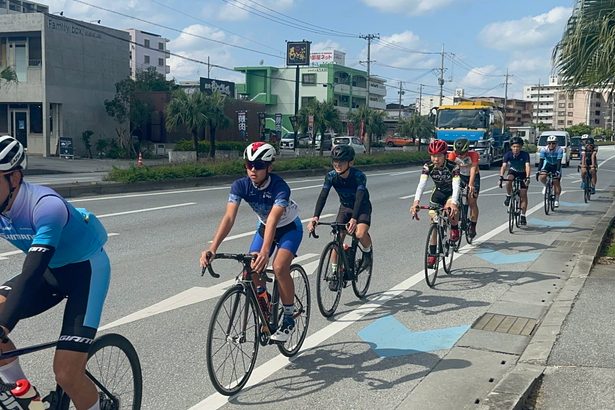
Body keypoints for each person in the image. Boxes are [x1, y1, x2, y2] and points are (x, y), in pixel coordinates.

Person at [0, 136, 110, 410]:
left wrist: (3, 326)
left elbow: (32, 272)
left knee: (66, 373)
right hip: (52, 273)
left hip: (86, 272)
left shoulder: (46, 206)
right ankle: (31, 402)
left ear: (14, 178)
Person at [200, 142, 302, 342]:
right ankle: (267, 304)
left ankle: (289, 317)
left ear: (269, 167)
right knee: (251, 269)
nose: (253, 170)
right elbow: (229, 217)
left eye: (259, 165)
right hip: (265, 228)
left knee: (280, 267)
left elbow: (274, 218)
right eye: (249, 164)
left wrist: (265, 252)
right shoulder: (240, 185)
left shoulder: (280, 187)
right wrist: (213, 248)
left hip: (289, 228)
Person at [307, 145, 373, 288]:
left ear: (351, 163)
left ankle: (367, 254)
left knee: (360, 233)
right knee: (337, 239)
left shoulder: (359, 176)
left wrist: (355, 219)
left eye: (341, 161)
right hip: (345, 207)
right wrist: (315, 217)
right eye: (335, 161)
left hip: (361, 208)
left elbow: (360, 197)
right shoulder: (331, 176)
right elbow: (323, 195)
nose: (337, 164)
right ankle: (335, 273)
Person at [410, 139, 460, 268]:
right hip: (438, 193)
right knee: (434, 221)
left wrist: (454, 203)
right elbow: (421, 185)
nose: (435, 159)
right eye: (433, 156)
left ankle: (454, 227)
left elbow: (456, 185)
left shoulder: (453, 166)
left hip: (450, 193)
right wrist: (416, 202)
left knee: (450, 209)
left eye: (438, 156)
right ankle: (432, 254)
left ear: (445, 155)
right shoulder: (428, 167)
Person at [447, 138, 480, 238]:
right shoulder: (452, 155)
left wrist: (470, 184)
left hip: (472, 177)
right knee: (454, 198)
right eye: (458, 153)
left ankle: (473, 225)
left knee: (472, 201)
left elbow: (473, 170)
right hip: (459, 176)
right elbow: (448, 169)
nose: (460, 155)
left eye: (463, 153)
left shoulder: (473, 155)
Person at [499, 136, 531, 225]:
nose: (516, 149)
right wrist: (501, 176)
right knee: (509, 180)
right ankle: (509, 195)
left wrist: (528, 177)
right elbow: (504, 166)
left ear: (521, 147)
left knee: (523, 195)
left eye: (518, 147)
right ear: (511, 147)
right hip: (513, 171)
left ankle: (523, 215)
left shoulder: (525, 154)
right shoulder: (508, 154)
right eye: (514, 147)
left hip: (523, 173)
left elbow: (528, 166)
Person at [537, 135, 563, 207]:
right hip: (548, 164)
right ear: (547, 143)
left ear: (556, 143)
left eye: (553, 143)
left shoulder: (559, 149)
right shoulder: (543, 149)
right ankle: (546, 185)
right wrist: (538, 171)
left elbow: (559, 161)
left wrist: (557, 171)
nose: (551, 145)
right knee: (542, 177)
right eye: (549, 143)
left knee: (556, 182)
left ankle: (557, 199)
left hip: (556, 165)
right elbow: (541, 161)